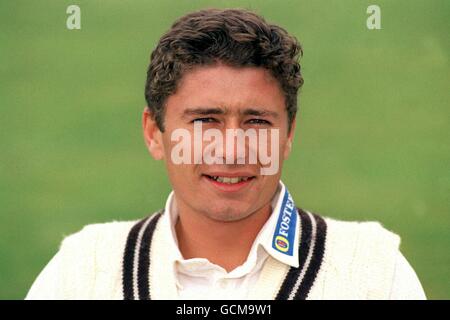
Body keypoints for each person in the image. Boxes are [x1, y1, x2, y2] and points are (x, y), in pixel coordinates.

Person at [26, 8, 426, 300]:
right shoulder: (81, 273)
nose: (232, 149)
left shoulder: (374, 274)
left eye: (257, 122)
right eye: (204, 120)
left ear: (289, 135)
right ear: (154, 132)